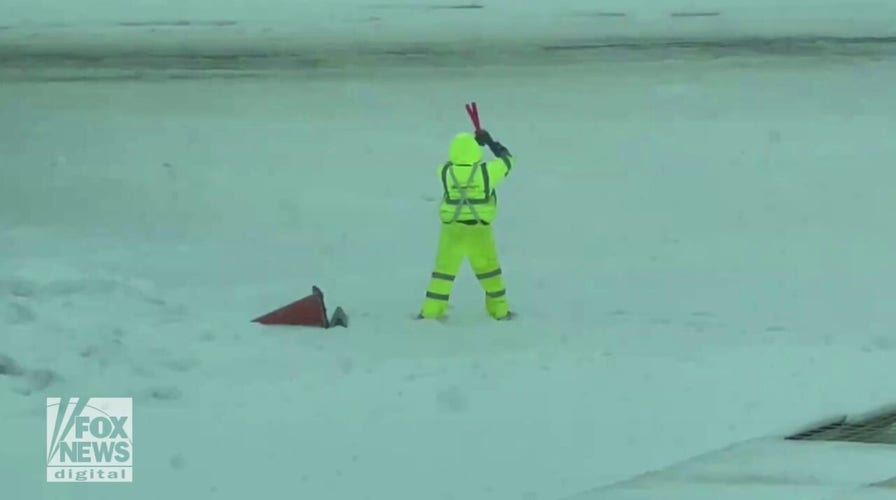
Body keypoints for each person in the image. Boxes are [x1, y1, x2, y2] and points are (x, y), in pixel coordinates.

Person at [418, 128, 514, 321]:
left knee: (443, 273)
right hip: (479, 231)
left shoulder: (445, 172)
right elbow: (507, 161)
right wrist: (489, 143)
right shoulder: (486, 173)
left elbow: (457, 164)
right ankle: (499, 311)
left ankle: (431, 312)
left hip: (452, 231)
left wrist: (471, 147)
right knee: (490, 272)